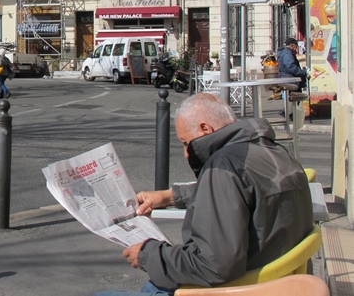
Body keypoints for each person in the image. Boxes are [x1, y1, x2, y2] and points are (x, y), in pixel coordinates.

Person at [96, 94, 312, 295]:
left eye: (186, 143)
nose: (185, 153)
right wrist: (170, 196)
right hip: (273, 280)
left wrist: (147, 254)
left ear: (205, 129)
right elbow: (244, 192)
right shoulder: (273, 152)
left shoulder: (223, 166)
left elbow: (214, 265)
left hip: (230, 289)